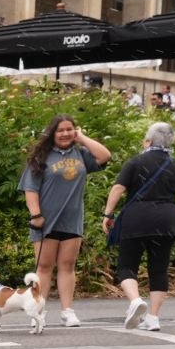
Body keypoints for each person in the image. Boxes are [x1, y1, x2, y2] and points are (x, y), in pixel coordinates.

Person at [102, 121, 175, 332]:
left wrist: (108, 214)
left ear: (148, 141)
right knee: (159, 270)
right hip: (165, 222)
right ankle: (153, 317)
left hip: (136, 219)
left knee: (127, 265)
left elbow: (118, 188)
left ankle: (135, 300)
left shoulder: (136, 162)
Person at [20, 115, 112, 327]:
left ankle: (67, 311)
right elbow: (30, 190)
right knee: (44, 267)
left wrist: (82, 138)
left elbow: (105, 155)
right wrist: (35, 215)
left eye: (69, 129)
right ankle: (38, 311)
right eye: (60, 130)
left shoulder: (81, 154)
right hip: (46, 221)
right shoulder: (41, 158)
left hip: (72, 219)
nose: (65, 134)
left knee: (67, 265)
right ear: (52, 133)